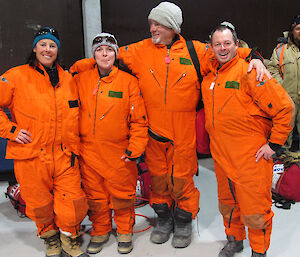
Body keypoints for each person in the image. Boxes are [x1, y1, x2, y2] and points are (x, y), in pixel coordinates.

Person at [70, 1, 268, 249]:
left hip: (183, 132)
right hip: (153, 132)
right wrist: (79, 69)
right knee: (159, 179)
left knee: (182, 178)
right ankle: (164, 218)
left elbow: (225, 51)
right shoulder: (139, 50)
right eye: (151, 23)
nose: (152, 28)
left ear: (172, 27)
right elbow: (106, 55)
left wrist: (255, 57)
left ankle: (184, 221)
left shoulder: (195, 51)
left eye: (158, 24)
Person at [201, 23, 294, 257]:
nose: (222, 49)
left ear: (236, 44)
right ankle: (234, 240)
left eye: (228, 43)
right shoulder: (210, 74)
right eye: (217, 44)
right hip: (222, 157)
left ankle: (259, 251)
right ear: (211, 47)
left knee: (255, 209)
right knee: (228, 204)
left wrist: (273, 145)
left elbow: (285, 108)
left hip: (250, 157)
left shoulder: (251, 72)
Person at [0, 27, 89, 257]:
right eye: (43, 44)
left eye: (52, 45)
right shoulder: (16, 76)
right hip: (31, 155)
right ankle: (50, 239)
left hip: (65, 154)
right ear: (34, 48)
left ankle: (70, 239)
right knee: (39, 205)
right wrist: (10, 129)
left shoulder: (69, 80)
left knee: (73, 203)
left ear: (57, 50)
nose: (47, 49)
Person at [74, 33, 148, 255]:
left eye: (109, 50)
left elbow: (139, 120)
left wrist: (135, 148)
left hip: (118, 153)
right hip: (88, 152)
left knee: (123, 195)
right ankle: (100, 229)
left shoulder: (129, 82)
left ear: (116, 54)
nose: (104, 54)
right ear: (92, 54)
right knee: (95, 196)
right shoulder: (80, 79)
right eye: (99, 50)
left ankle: (124, 230)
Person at [267, 14, 300, 151]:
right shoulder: (281, 51)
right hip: (288, 101)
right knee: (284, 137)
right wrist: (282, 90)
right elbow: (272, 70)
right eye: (298, 28)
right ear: (292, 31)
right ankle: (283, 164)